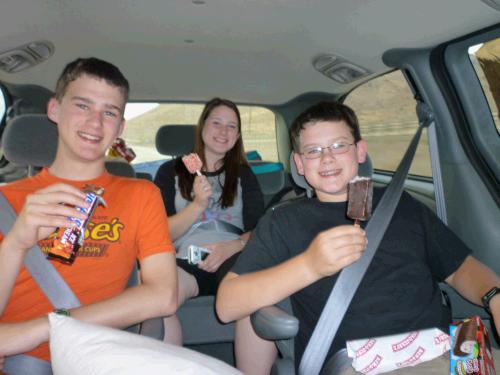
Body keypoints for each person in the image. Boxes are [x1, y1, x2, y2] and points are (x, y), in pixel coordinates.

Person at [216, 101, 500, 374]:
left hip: (448, 353)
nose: (327, 158)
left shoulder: (401, 204)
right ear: (299, 164)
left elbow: (460, 267)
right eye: (313, 151)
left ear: (360, 151)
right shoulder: (283, 221)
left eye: (339, 145)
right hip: (360, 363)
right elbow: (228, 305)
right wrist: (310, 265)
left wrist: (494, 296)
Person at [0, 57, 178, 372]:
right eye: (83, 106)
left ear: (120, 128)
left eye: (109, 112)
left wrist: (46, 328)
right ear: (54, 110)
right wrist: (15, 242)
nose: (95, 124)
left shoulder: (141, 195)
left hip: (94, 358)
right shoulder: (5, 201)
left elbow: (163, 295)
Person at [154, 97, 265, 350]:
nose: (223, 131)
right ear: (202, 126)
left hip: (234, 254)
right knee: (158, 296)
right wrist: (197, 206)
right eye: (216, 123)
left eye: (231, 126)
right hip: (186, 258)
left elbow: (261, 230)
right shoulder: (170, 171)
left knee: (253, 295)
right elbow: (160, 235)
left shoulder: (244, 174)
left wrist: (232, 247)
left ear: (237, 136)